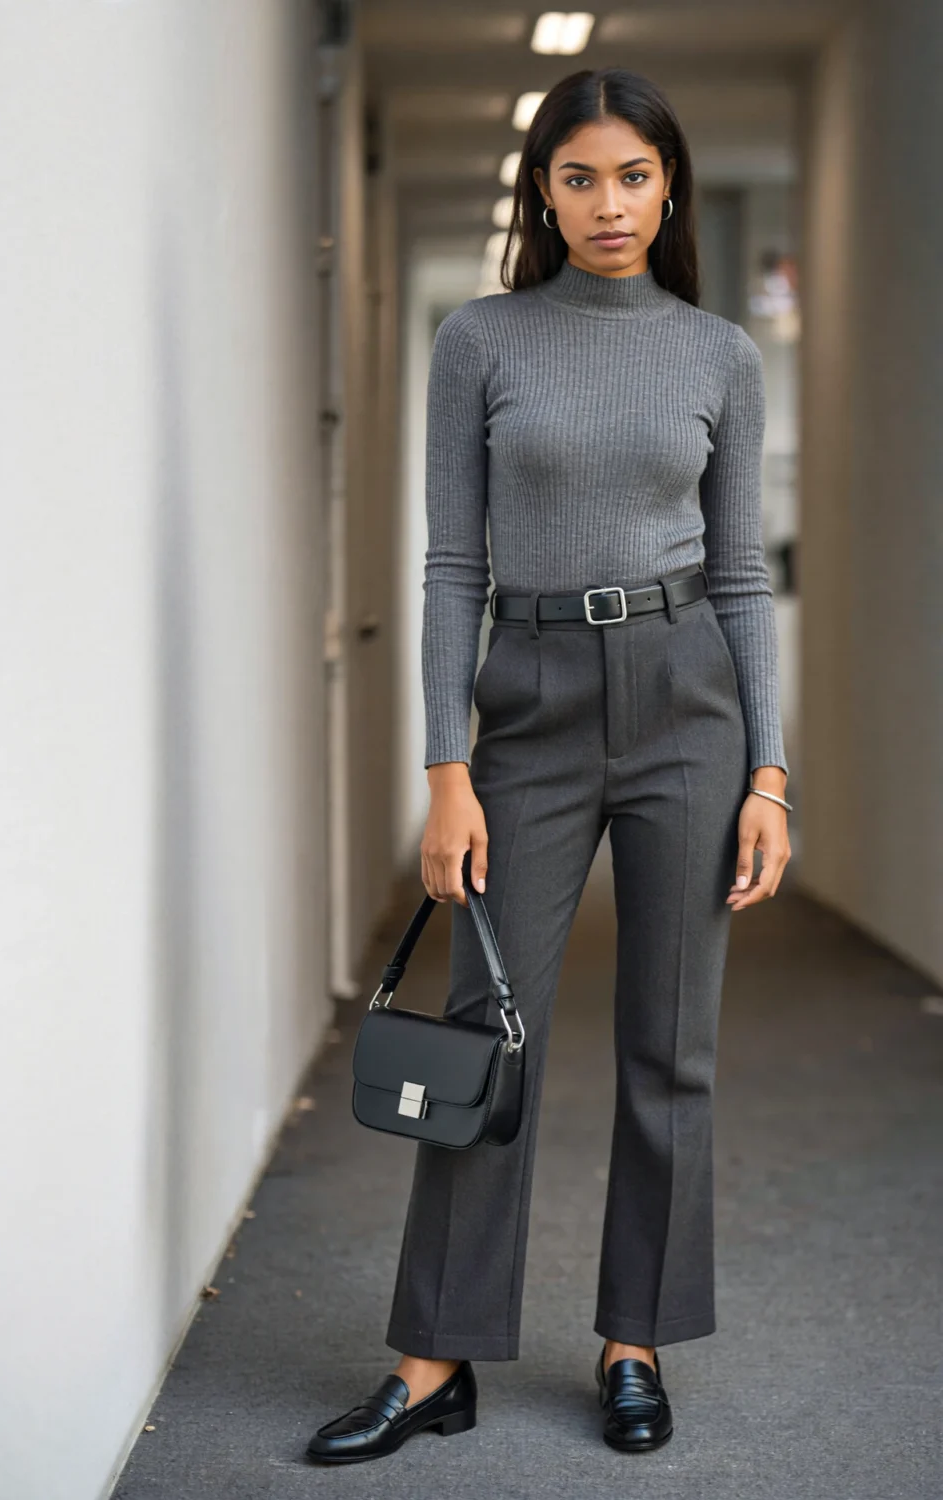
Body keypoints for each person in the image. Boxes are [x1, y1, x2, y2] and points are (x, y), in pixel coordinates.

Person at [306, 64, 792, 1466]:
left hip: (688, 700)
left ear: (668, 185)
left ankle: (633, 1342)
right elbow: (453, 563)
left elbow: (743, 576)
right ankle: (433, 1356)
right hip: (525, 702)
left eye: (631, 175)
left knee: (670, 1046)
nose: (607, 204)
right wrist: (444, 765)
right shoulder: (485, 341)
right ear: (543, 190)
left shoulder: (718, 355)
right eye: (577, 177)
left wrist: (769, 771)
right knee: (482, 1040)